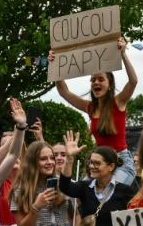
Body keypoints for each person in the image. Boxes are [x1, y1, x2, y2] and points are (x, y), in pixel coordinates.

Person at [50, 37, 137, 185]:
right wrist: (55, 65)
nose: (96, 82)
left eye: (100, 79)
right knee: (82, 193)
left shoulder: (118, 102)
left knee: (111, 191)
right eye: (93, 80)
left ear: (110, 85)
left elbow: (133, 81)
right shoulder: (90, 107)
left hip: (121, 162)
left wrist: (123, 54)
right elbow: (64, 92)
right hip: (99, 161)